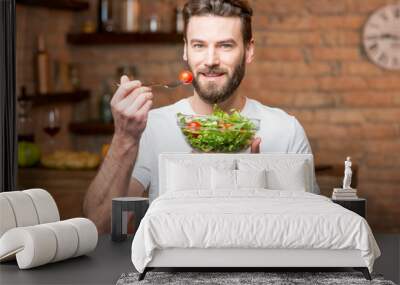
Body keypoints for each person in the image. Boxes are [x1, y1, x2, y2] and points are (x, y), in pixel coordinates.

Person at [83, 0, 320, 233]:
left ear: (249, 51)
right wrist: (124, 139)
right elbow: (100, 225)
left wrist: (257, 187)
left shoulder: (286, 130)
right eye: (199, 45)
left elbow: (315, 229)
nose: (210, 60)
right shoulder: (151, 127)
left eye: (225, 45)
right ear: (185, 50)